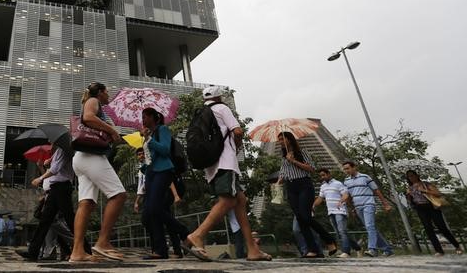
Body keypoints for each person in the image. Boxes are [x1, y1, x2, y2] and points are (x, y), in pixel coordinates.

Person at [184, 86, 271, 262]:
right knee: (229, 200)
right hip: (225, 162)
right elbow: (237, 131)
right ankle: (198, 235)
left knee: (240, 201)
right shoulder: (222, 108)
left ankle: (252, 249)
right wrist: (237, 146)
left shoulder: (201, 113)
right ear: (219, 97)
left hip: (211, 164)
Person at [69, 82, 126, 262]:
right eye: (107, 91)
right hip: (91, 157)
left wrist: (109, 132)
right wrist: (112, 130)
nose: (108, 94)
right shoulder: (93, 101)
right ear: (100, 93)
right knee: (118, 195)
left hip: (81, 158)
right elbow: (88, 117)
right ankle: (103, 242)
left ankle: (77, 252)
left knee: (86, 204)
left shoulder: (94, 102)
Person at [276, 131, 337, 258]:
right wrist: (278, 182)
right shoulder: (284, 157)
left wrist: (293, 161)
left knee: (306, 217)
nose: (280, 142)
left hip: (304, 185)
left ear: (289, 140)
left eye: (282, 139)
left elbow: (311, 169)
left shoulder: (302, 153)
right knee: (300, 219)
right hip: (291, 187)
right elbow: (283, 174)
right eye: (279, 140)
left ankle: (329, 240)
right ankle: (313, 249)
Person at [140, 107, 189, 260]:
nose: (143, 120)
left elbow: (165, 150)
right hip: (151, 173)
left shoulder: (163, 130)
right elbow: (151, 157)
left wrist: (149, 140)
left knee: (155, 208)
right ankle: (160, 250)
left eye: (145, 116)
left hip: (164, 171)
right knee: (148, 213)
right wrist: (144, 165)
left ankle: (184, 232)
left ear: (153, 117)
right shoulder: (150, 134)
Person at [16, 143, 78, 260]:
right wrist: (43, 166)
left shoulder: (63, 150)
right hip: (53, 191)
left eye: (52, 140)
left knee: (66, 221)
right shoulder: (56, 153)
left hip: (60, 189)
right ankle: (33, 251)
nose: (51, 142)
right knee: (46, 222)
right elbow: (51, 175)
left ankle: (82, 248)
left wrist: (40, 177)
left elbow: (54, 171)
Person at [342, 161, 394, 257]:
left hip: (368, 204)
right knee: (370, 227)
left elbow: (376, 190)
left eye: (348, 168)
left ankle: (372, 249)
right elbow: (348, 196)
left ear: (354, 167)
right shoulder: (346, 181)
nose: (346, 171)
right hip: (358, 207)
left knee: (370, 226)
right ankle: (387, 248)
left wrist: (385, 204)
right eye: (344, 169)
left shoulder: (365, 177)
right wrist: (352, 208)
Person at [405, 170, 462, 256]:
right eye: (409, 176)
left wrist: (425, 190)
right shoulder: (410, 188)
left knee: (441, 227)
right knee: (428, 229)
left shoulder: (426, 184)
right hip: (420, 208)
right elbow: (410, 201)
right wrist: (408, 195)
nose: (411, 178)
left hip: (431, 206)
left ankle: (457, 246)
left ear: (417, 175)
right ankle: (438, 250)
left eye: (412, 175)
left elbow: (438, 193)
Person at [313, 167, 361, 257]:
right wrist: (313, 205)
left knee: (342, 231)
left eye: (323, 175)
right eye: (321, 176)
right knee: (340, 233)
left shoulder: (338, 183)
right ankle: (357, 248)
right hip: (330, 212)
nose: (322, 177)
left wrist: (341, 201)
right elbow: (320, 198)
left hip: (340, 211)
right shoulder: (323, 186)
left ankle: (346, 252)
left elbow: (346, 194)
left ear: (329, 174)